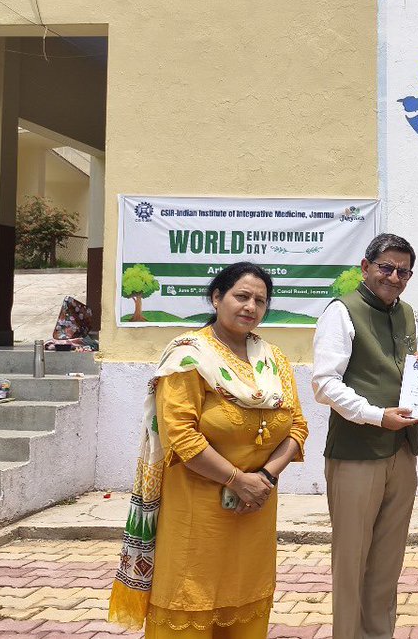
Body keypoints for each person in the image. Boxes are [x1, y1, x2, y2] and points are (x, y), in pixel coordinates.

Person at [108, 262, 309, 639]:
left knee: (245, 599)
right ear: (217, 298)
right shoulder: (188, 357)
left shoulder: (274, 359)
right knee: (190, 599)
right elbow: (181, 437)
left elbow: (297, 427)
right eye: (241, 296)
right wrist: (237, 480)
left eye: (260, 300)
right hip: (197, 508)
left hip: (255, 507)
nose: (251, 306)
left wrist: (262, 479)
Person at [312, 233, 418, 639]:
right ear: (365, 267)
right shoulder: (341, 312)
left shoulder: (407, 313)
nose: (394, 277)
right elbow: (324, 384)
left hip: (402, 451)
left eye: (403, 271)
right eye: (386, 267)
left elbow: (400, 369)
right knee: (352, 561)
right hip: (357, 452)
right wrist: (377, 416)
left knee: (387, 561)